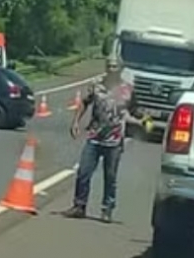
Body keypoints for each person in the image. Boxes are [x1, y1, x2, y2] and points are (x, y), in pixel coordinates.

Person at [62, 57, 145, 223]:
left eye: (115, 66)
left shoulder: (128, 90)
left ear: (121, 69)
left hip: (114, 140)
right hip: (94, 136)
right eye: (109, 66)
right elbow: (84, 103)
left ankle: (107, 209)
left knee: (110, 176)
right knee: (83, 172)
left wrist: (142, 121)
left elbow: (135, 110)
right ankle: (79, 206)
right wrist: (76, 122)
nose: (111, 69)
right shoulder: (96, 85)